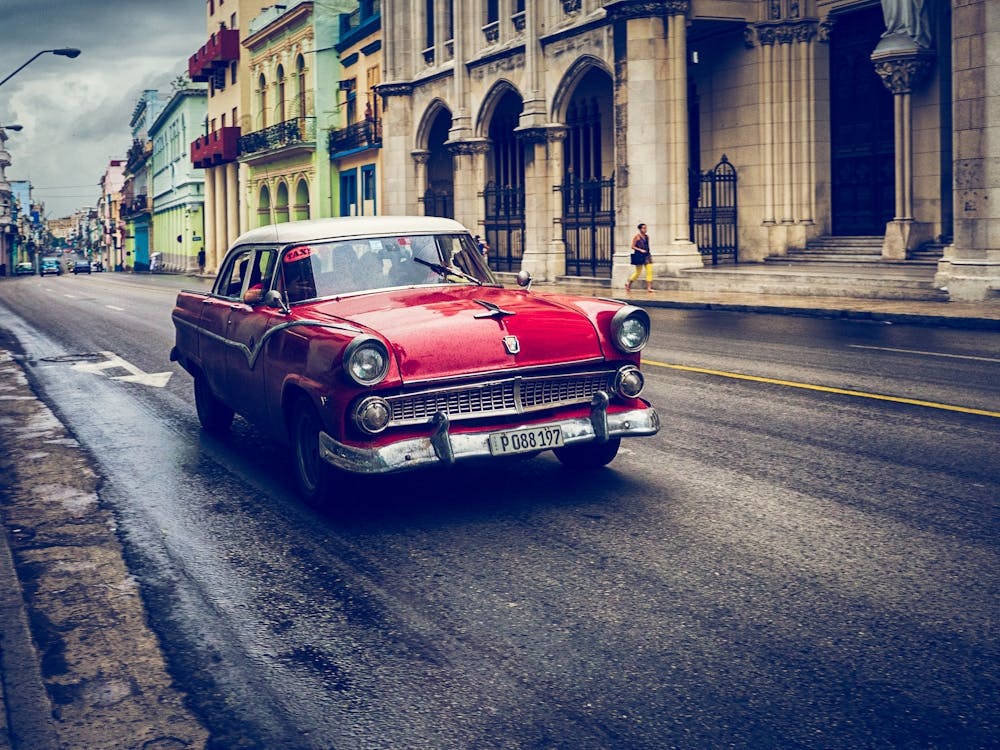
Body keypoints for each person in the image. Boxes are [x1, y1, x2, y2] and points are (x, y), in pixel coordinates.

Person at [625, 222, 653, 293]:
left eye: (645, 228)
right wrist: (640, 250)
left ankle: (649, 288)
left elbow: (647, 246)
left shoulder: (647, 237)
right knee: (638, 272)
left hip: (647, 255)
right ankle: (629, 283)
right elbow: (632, 246)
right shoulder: (637, 237)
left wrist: (648, 253)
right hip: (639, 256)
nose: (645, 229)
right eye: (643, 228)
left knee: (650, 271)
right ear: (640, 229)